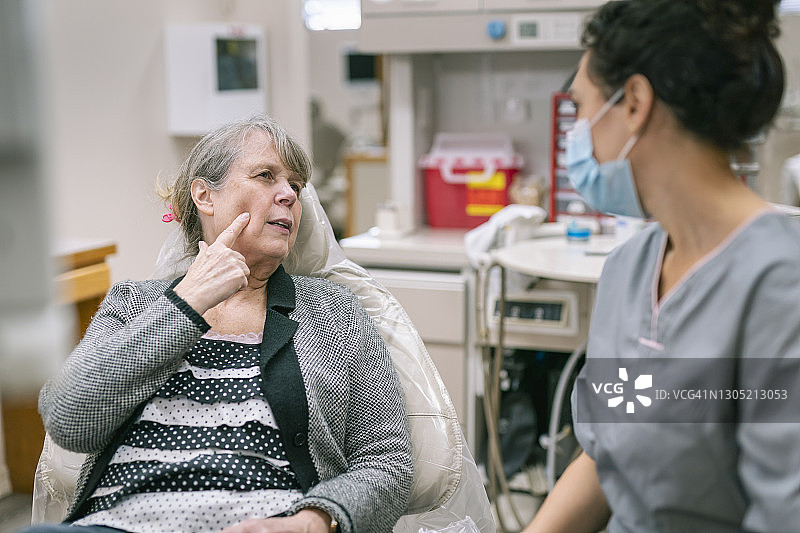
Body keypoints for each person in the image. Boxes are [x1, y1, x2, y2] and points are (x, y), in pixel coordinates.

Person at [28, 115, 413, 533]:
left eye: (296, 186)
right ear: (204, 196)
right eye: (266, 176)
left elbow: (387, 461)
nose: (288, 194)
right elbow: (68, 418)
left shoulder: (333, 311)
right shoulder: (135, 304)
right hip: (118, 524)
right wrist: (187, 302)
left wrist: (310, 522)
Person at [524, 1, 800, 532]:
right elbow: (604, 456)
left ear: (634, 103)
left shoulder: (780, 286)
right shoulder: (630, 270)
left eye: (581, 107)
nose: (577, 135)